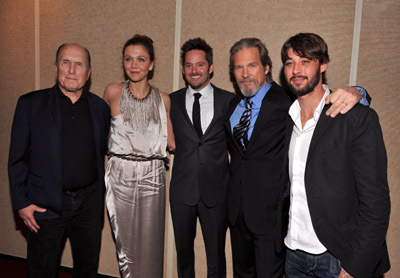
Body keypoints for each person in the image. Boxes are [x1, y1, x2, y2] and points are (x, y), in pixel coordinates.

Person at [225, 38, 367, 277]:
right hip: (238, 213)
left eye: (251, 66)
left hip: (272, 217)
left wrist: (359, 92)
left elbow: (323, 98)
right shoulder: (231, 106)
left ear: (267, 68)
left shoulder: (288, 100)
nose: (245, 74)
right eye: (238, 67)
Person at [281, 32, 390, 278]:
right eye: (290, 62)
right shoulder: (286, 119)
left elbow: (376, 204)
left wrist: (354, 268)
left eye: (305, 61)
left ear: (323, 64)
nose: (296, 70)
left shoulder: (355, 119)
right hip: (293, 254)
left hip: (338, 257)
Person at [8, 43, 110, 277]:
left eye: (79, 64)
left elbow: (103, 149)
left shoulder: (99, 108)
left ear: (89, 72)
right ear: (56, 67)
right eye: (66, 62)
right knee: (42, 270)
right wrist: (21, 202)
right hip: (46, 203)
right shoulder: (30, 104)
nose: (72, 70)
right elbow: (17, 159)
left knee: (87, 269)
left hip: (89, 204)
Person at [103, 34, 175, 278]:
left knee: (151, 244)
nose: (134, 65)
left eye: (141, 59)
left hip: (153, 177)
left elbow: (172, 142)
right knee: (125, 247)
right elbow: (99, 136)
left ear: (151, 64)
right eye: (128, 59)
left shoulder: (163, 99)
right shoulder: (112, 92)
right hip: (119, 175)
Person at [169, 38, 234, 277]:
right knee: (184, 256)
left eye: (199, 65)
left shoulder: (230, 101)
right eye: (188, 65)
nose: (194, 70)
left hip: (216, 192)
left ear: (211, 67)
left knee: (216, 257)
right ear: (183, 69)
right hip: (181, 191)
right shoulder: (171, 101)